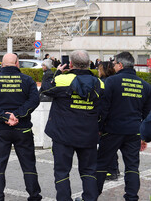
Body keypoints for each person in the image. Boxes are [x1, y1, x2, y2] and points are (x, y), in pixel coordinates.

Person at [42, 50, 104, 201]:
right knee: (89, 171)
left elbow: (45, 90)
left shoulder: (62, 79)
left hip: (63, 135)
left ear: (70, 64)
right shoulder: (100, 83)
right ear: (89, 64)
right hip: (89, 134)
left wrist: (54, 73)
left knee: (62, 172)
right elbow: (104, 108)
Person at [0, 53, 42, 201]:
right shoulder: (27, 80)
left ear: (2, 65)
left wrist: (5, 116)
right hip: (23, 129)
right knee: (28, 165)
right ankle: (34, 196)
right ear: (17, 64)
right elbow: (34, 101)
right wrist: (17, 115)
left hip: (0, 130)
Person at [97, 52, 151, 201]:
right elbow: (147, 115)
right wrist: (144, 136)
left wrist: (99, 129)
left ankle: (91, 195)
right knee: (132, 168)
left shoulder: (111, 82)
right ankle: (132, 197)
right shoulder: (145, 86)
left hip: (112, 130)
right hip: (134, 132)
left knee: (101, 164)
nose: (113, 66)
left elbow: (103, 108)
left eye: (114, 64)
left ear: (120, 65)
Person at [97, 61, 119, 181]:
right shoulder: (116, 80)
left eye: (100, 69)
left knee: (106, 147)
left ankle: (111, 171)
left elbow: (103, 105)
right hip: (116, 118)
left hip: (107, 120)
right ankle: (115, 169)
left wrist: (100, 124)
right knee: (112, 147)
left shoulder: (104, 83)